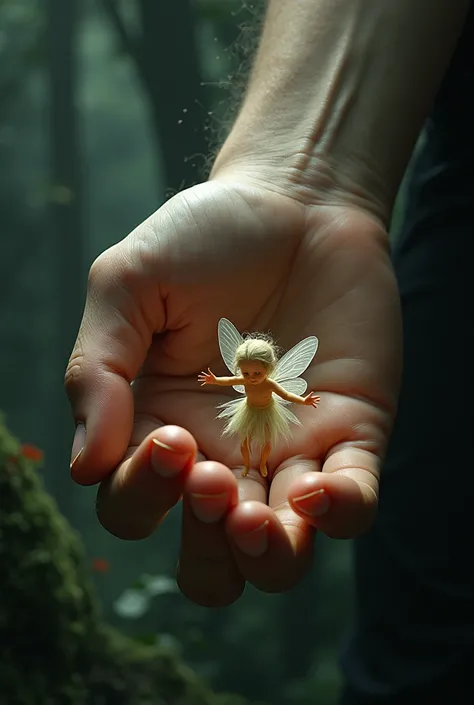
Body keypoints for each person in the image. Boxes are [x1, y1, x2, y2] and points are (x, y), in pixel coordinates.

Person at [65, 1, 473, 703]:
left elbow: (276, 388)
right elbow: (250, 382)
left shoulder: (270, 376)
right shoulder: (259, 369)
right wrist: (302, 175)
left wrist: (292, 393)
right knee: (430, 636)